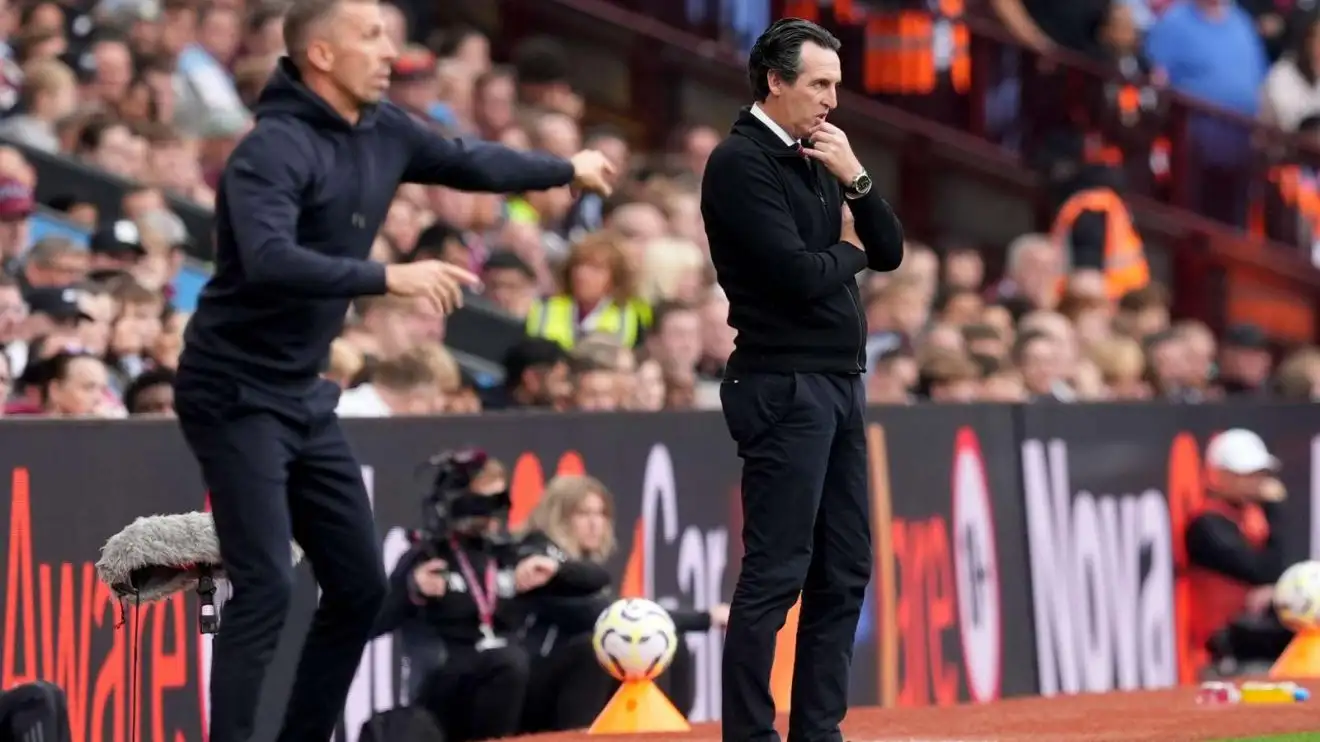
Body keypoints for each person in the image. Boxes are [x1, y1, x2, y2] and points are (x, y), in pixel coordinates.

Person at [169, 0, 615, 740]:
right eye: (371, 37)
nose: (389, 51)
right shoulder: (271, 150)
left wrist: (564, 167)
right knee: (268, 585)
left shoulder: (385, 130)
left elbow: (471, 161)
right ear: (319, 54)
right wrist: (389, 278)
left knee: (358, 586)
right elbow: (270, 259)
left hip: (303, 395)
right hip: (233, 392)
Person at [699, 18, 904, 742]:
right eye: (818, 84)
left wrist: (857, 178)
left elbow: (891, 250)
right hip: (783, 383)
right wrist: (848, 253)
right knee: (776, 574)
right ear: (774, 81)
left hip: (838, 383)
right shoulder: (740, 162)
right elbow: (797, 276)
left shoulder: (817, 155)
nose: (831, 101)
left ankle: (819, 732)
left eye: (836, 85)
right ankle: (750, 735)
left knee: (845, 569)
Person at [374, 451, 612, 742]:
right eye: (485, 502)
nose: (495, 512)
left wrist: (555, 570)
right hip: (448, 688)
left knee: (590, 651)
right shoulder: (427, 556)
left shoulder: (508, 554)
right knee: (505, 662)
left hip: (513, 680)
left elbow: (597, 579)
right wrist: (413, 590)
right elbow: (373, 622)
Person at [517, 475, 730, 732]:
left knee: (666, 644)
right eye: (583, 514)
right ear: (558, 516)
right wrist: (705, 617)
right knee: (601, 646)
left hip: (571, 674)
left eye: (601, 514)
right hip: (535, 680)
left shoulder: (579, 568)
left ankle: (670, 732)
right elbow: (600, 615)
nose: (595, 524)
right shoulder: (537, 556)